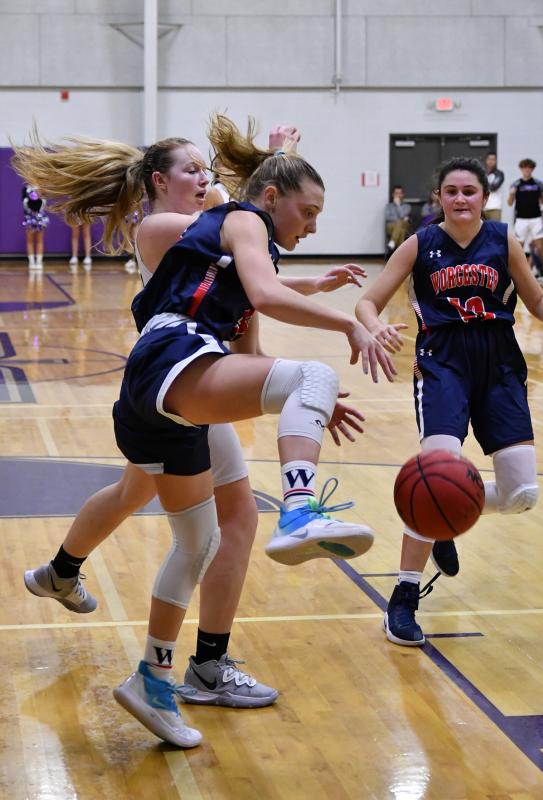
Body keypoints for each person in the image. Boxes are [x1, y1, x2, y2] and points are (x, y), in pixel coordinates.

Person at [14, 116, 389, 748]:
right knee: (304, 389)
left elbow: (251, 301)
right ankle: (297, 514)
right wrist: (274, 169)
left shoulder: (232, 236)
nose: (205, 180)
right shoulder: (163, 225)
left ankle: (155, 672)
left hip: (175, 383)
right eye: (192, 170)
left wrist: (299, 405)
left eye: (207, 171)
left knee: (200, 531)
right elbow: (252, 249)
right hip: (175, 361)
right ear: (159, 182)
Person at [356, 156, 543, 647]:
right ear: (438, 197)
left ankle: (445, 520)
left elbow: (537, 303)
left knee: (523, 494)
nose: (461, 199)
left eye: (470, 191)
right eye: (452, 191)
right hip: (443, 364)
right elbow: (367, 301)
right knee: (436, 469)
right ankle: (404, 593)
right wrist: (373, 325)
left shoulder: (505, 241)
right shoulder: (420, 244)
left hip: (500, 366)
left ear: (485, 197)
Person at [507, 158, 543, 259]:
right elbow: (509, 203)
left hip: (536, 218)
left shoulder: (538, 184)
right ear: (521, 169)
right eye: (525, 168)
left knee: (540, 247)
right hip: (521, 219)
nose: (527, 170)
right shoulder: (516, 184)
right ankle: (518, 272)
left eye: (529, 168)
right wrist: (511, 194)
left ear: (533, 169)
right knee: (519, 247)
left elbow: (542, 200)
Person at [22, 185, 49, 270]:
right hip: (29, 217)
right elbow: (24, 203)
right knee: (30, 240)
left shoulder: (42, 187)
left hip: (40, 217)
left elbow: (44, 202)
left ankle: (39, 261)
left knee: (39, 240)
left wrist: (39, 192)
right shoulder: (25, 189)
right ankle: (31, 262)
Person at [385, 186, 411, 254]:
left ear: (403, 195)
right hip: (391, 226)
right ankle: (400, 254)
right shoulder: (388, 206)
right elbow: (388, 217)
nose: (398, 195)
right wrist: (400, 219)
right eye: (396, 193)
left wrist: (398, 205)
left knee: (401, 225)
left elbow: (402, 215)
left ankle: (392, 242)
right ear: (393, 195)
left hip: (405, 225)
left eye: (400, 193)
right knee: (401, 228)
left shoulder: (407, 206)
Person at [483, 152, 504, 222]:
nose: (491, 161)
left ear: (496, 161)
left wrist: (481, 185)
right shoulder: (482, 173)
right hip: (482, 208)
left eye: (493, 159)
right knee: (483, 231)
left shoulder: (499, 174)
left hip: (494, 207)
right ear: (486, 160)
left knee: (495, 231)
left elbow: (494, 187)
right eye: (489, 159)